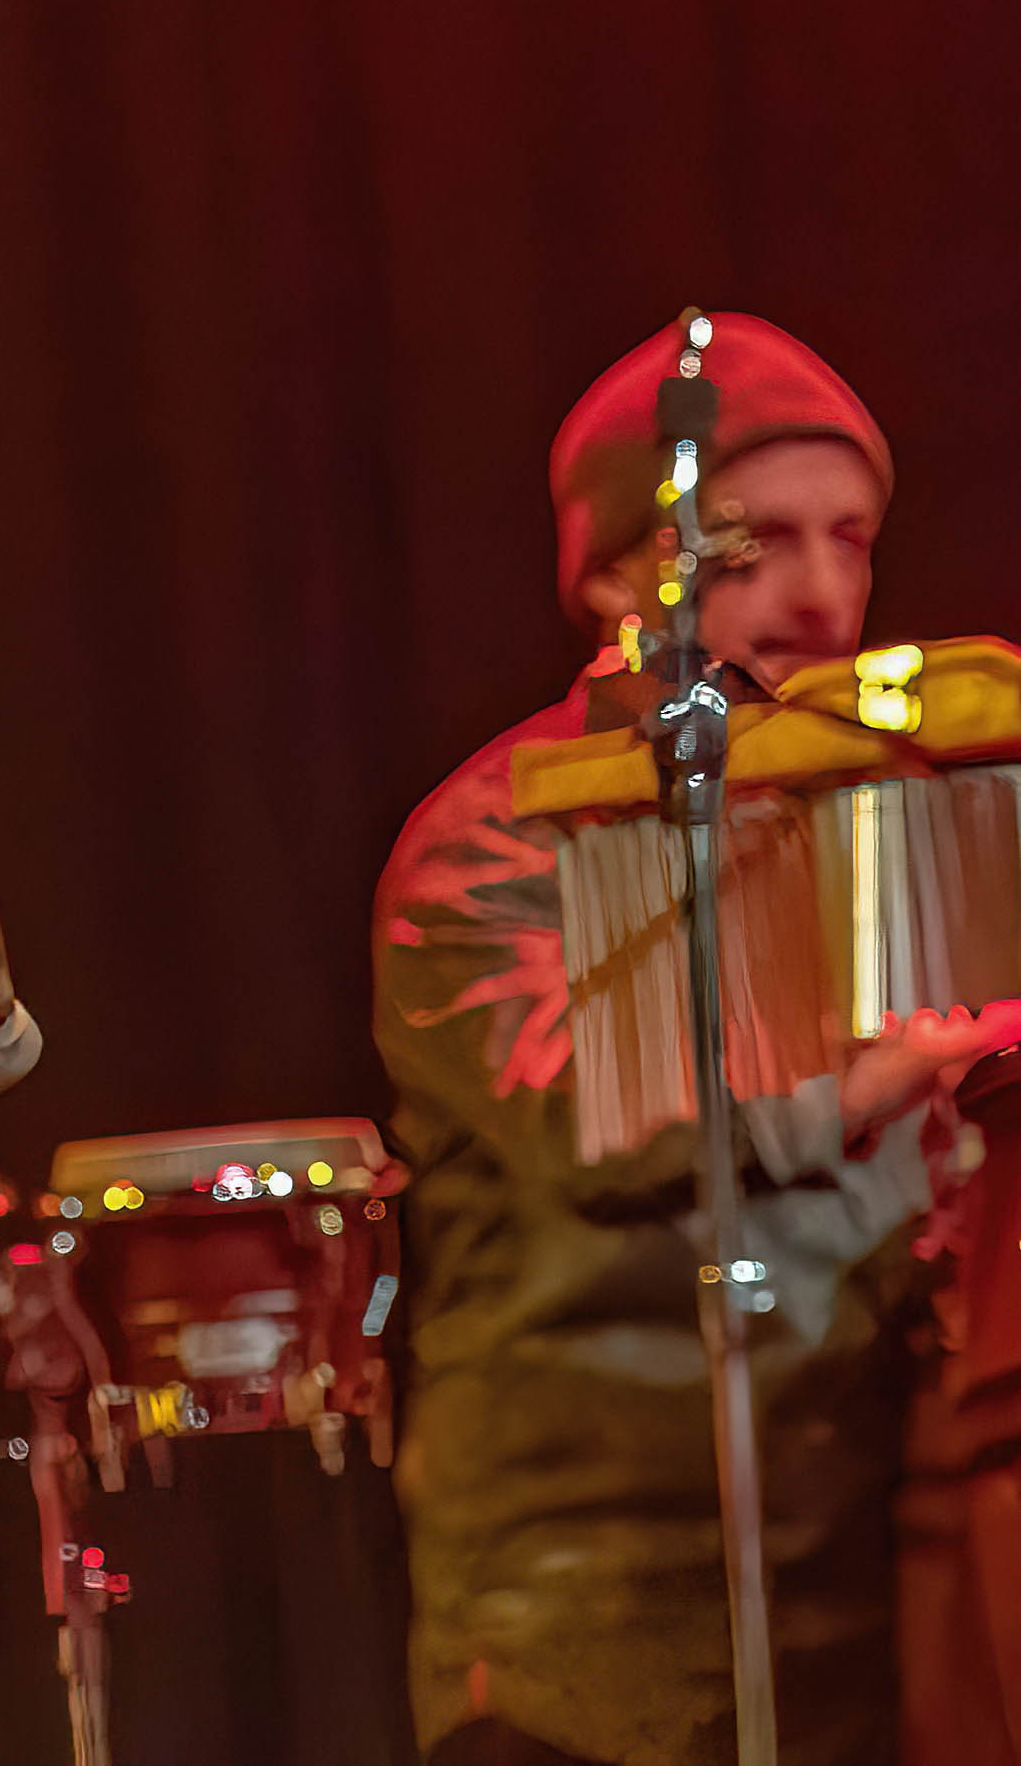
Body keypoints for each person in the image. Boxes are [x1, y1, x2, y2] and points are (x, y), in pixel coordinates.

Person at [376, 318, 1015, 1766]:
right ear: (610, 572)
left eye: (846, 537)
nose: (818, 587)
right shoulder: (489, 842)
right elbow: (587, 1114)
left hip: (865, 1602)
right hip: (583, 1645)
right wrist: (880, 1062)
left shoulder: (878, 820)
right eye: (754, 541)